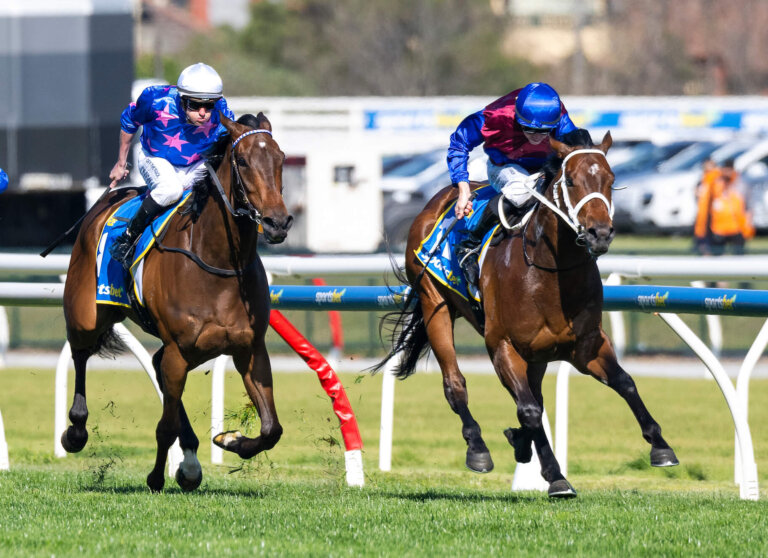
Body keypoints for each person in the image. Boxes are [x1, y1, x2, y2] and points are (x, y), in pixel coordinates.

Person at [447, 82, 578, 288]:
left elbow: (575, 145)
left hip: (543, 168)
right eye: (528, 128)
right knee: (521, 192)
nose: (536, 136)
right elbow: (459, 142)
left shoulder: (558, 116)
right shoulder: (496, 116)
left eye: (543, 131)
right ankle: (470, 244)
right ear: (517, 118)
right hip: (504, 165)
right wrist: (462, 189)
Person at [108, 62, 235, 269]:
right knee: (171, 190)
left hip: (196, 163)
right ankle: (128, 238)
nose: (203, 113)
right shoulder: (154, 99)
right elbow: (129, 122)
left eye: (208, 105)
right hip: (156, 157)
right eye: (195, 105)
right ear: (182, 99)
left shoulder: (222, 111)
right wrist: (121, 163)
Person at [693, 158, 755, 257]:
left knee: (739, 256)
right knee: (718, 256)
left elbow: (747, 206)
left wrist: (748, 225)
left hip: (737, 227)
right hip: (718, 228)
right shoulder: (715, 183)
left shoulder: (739, 184)